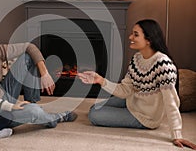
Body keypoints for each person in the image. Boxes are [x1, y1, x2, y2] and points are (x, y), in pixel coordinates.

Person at [78, 19, 196, 149]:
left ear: (148, 40)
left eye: (135, 34)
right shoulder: (137, 58)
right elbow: (125, 90)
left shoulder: (163, 65)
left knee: (94, 115)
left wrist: (176, 134)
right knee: (95, 107)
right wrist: (100, 80)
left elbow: (171, 102)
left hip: (145, 116)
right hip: (132, 100)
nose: (130, 37)